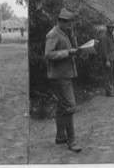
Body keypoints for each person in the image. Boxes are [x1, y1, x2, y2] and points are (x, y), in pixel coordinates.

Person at [44, 8, 82, 152]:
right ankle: (71, 140)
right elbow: (48, 54)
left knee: (62, 106)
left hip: (65, 74)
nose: (70, 26)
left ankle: (60, 136)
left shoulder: (65, 33)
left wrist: (71, 34)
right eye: (68, 24)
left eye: (71, 24)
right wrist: (68, 53)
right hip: (59, 76)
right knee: (69, 106)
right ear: (61, 21)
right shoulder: (53, 34)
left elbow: (75, 48)